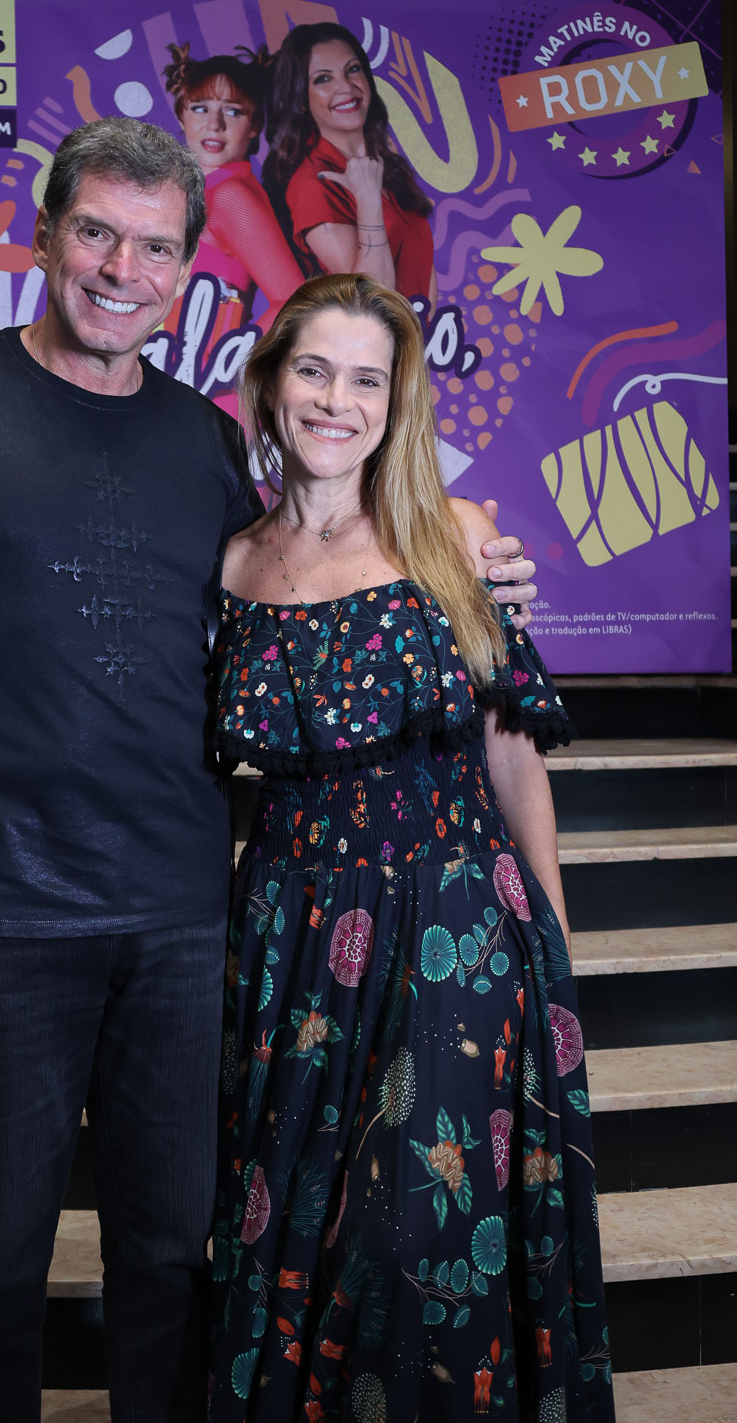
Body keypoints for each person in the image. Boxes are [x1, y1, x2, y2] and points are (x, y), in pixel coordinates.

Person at [0, 117, 538, 1423]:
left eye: (153, 247)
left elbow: (319, 568)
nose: (119, 270)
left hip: (189, 919)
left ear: (190, 269)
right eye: (95, 232)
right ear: (46, 236)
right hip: (0, 910)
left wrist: (468, 548)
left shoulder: (204, 442)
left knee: (173, 1257)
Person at [209, 274, 613, 1421]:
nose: (335, 400)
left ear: (397, 402)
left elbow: (512, 754)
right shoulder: (230, 565)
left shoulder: (457, 536)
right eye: (313, 370)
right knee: (294, 1226)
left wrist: (549, 944)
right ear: (269, 382)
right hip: (290, 936)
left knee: (419, 1237)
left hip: (453, 926)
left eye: (365, 379)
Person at [265, 24, 436, 305]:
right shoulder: (312, 183)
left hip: (416, 329)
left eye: (353, 69)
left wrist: (426, 328)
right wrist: (368, 201)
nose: (345, 87)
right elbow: (368, 299)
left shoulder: (388, 167)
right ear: (301, 101)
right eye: (323, 79)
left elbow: (422, 269)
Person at [165, 42, 304, 334]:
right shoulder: (197, 191)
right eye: (200, 108)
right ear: (181, 116)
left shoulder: (232, 196)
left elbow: (294, 300)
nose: (214, 124)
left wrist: (233, 358)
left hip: (199, 360)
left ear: (254, 126)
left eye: (233, 112)